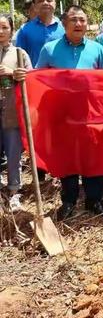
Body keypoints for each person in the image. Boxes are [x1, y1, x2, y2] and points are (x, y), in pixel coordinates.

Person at [36, 5, 103, 221]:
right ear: (64, 24)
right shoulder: (49, 49)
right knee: (67, 158)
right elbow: (38, 80)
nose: (78, 24)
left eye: (82, 20)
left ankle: (94, 199)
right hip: (62, 115)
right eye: (74, 20)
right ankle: (68, 200)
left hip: (91, 115)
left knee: (93, 157)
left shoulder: (96, 48)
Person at [0, 14, 32, 211]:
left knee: (13, 153)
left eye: (4, 27)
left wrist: (15, 74)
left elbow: (32, 78)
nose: (0, 32)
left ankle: (14, 191)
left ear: (11, 29)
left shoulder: (20, 53)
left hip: (12, 109)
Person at [16, 0, 65, 67]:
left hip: (59, 77)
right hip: (34, 77)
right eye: (40, 1)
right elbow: (19, 58)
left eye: (49, 0)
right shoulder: (25, 30)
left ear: (55, 4)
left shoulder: (65, 28)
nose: (45, 3)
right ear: (34, 6)